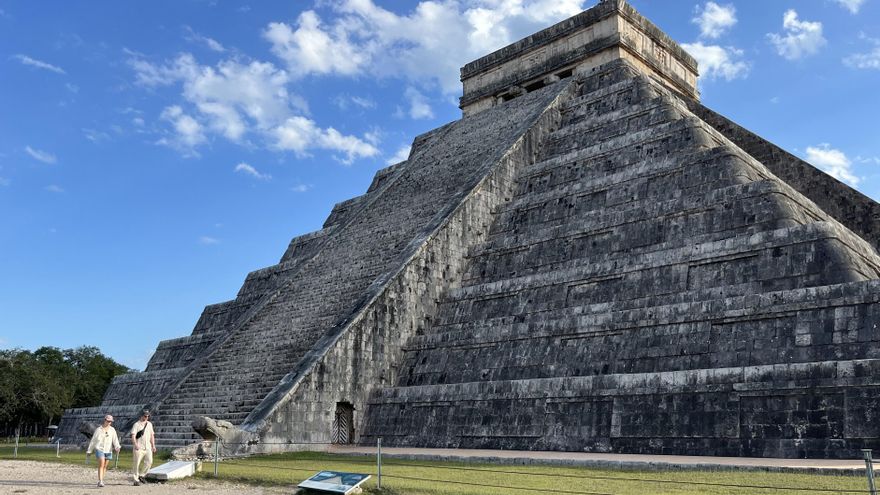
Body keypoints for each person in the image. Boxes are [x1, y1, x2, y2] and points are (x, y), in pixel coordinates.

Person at [86, 414, 120, 488]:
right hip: (99, 449)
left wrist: (117, 446)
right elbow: (93, 441)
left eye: (110, 422)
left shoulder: (112, 430)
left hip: (108, 450)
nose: (109, 423)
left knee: (105, 466)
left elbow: (115, 440)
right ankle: (100, 481)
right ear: (105, 420)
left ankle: (101, 480)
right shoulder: (98, 429)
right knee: (101, 464)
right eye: (108, 421)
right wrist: (89, 450)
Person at [130, 409, 156, 486]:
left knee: (149, 461)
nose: (147, 417)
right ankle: (135, 479)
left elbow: (152, 435)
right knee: (136, 463)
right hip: (139, 446)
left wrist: (153, 445)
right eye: (145, 416)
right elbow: (133, 435)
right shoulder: (136, 424)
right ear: (141, 416)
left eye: (148, 416)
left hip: (147, 446)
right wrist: (135, 444)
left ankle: (142, 475)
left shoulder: (149, 424)